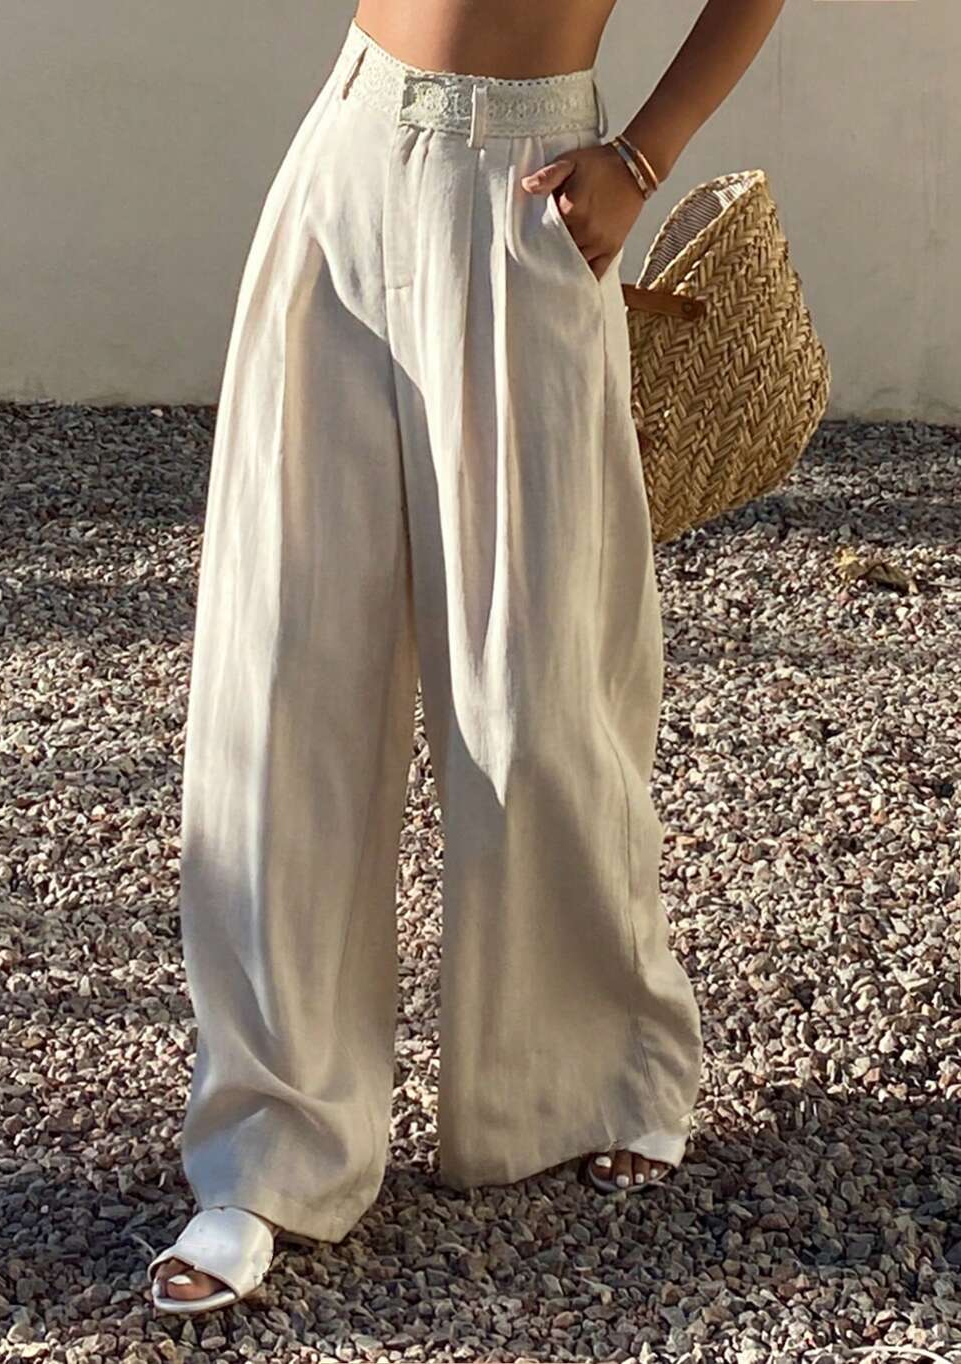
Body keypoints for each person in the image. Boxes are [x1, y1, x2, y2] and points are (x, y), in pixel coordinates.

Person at [148, 0, 787, 1314]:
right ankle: (268, 1147)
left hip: (531, 185)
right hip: (348, 153)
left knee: (537, 696)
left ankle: (591, 1070)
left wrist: (646, 156)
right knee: (283, 681)